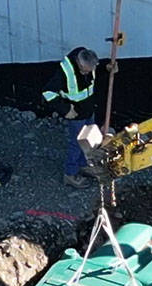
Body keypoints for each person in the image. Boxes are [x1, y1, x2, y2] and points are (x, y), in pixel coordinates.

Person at [41, 47, 100, 189]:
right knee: (77, 144)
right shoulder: (65, 71)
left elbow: (90, 82)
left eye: (89, 70)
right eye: (85, 70)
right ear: (79, 63)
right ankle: (70, 174)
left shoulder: (89, 64)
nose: (87, 72)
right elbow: (47, 93)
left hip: (88, 110)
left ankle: (83, 165)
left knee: (88, 141)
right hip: (76, 115)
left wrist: (109, 69)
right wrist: (66, 109)